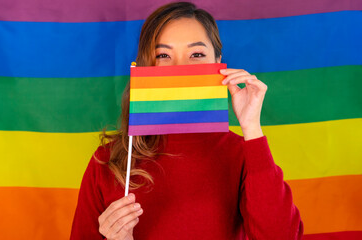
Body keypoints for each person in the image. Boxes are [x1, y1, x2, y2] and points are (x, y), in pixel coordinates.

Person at [70, 2, 304, 240]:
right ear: (144, 67)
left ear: (218, 62)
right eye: (163, 55)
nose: (180, 68)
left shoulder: (243, 154)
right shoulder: (107, 162)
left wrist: (252, 128)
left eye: (196, 54)